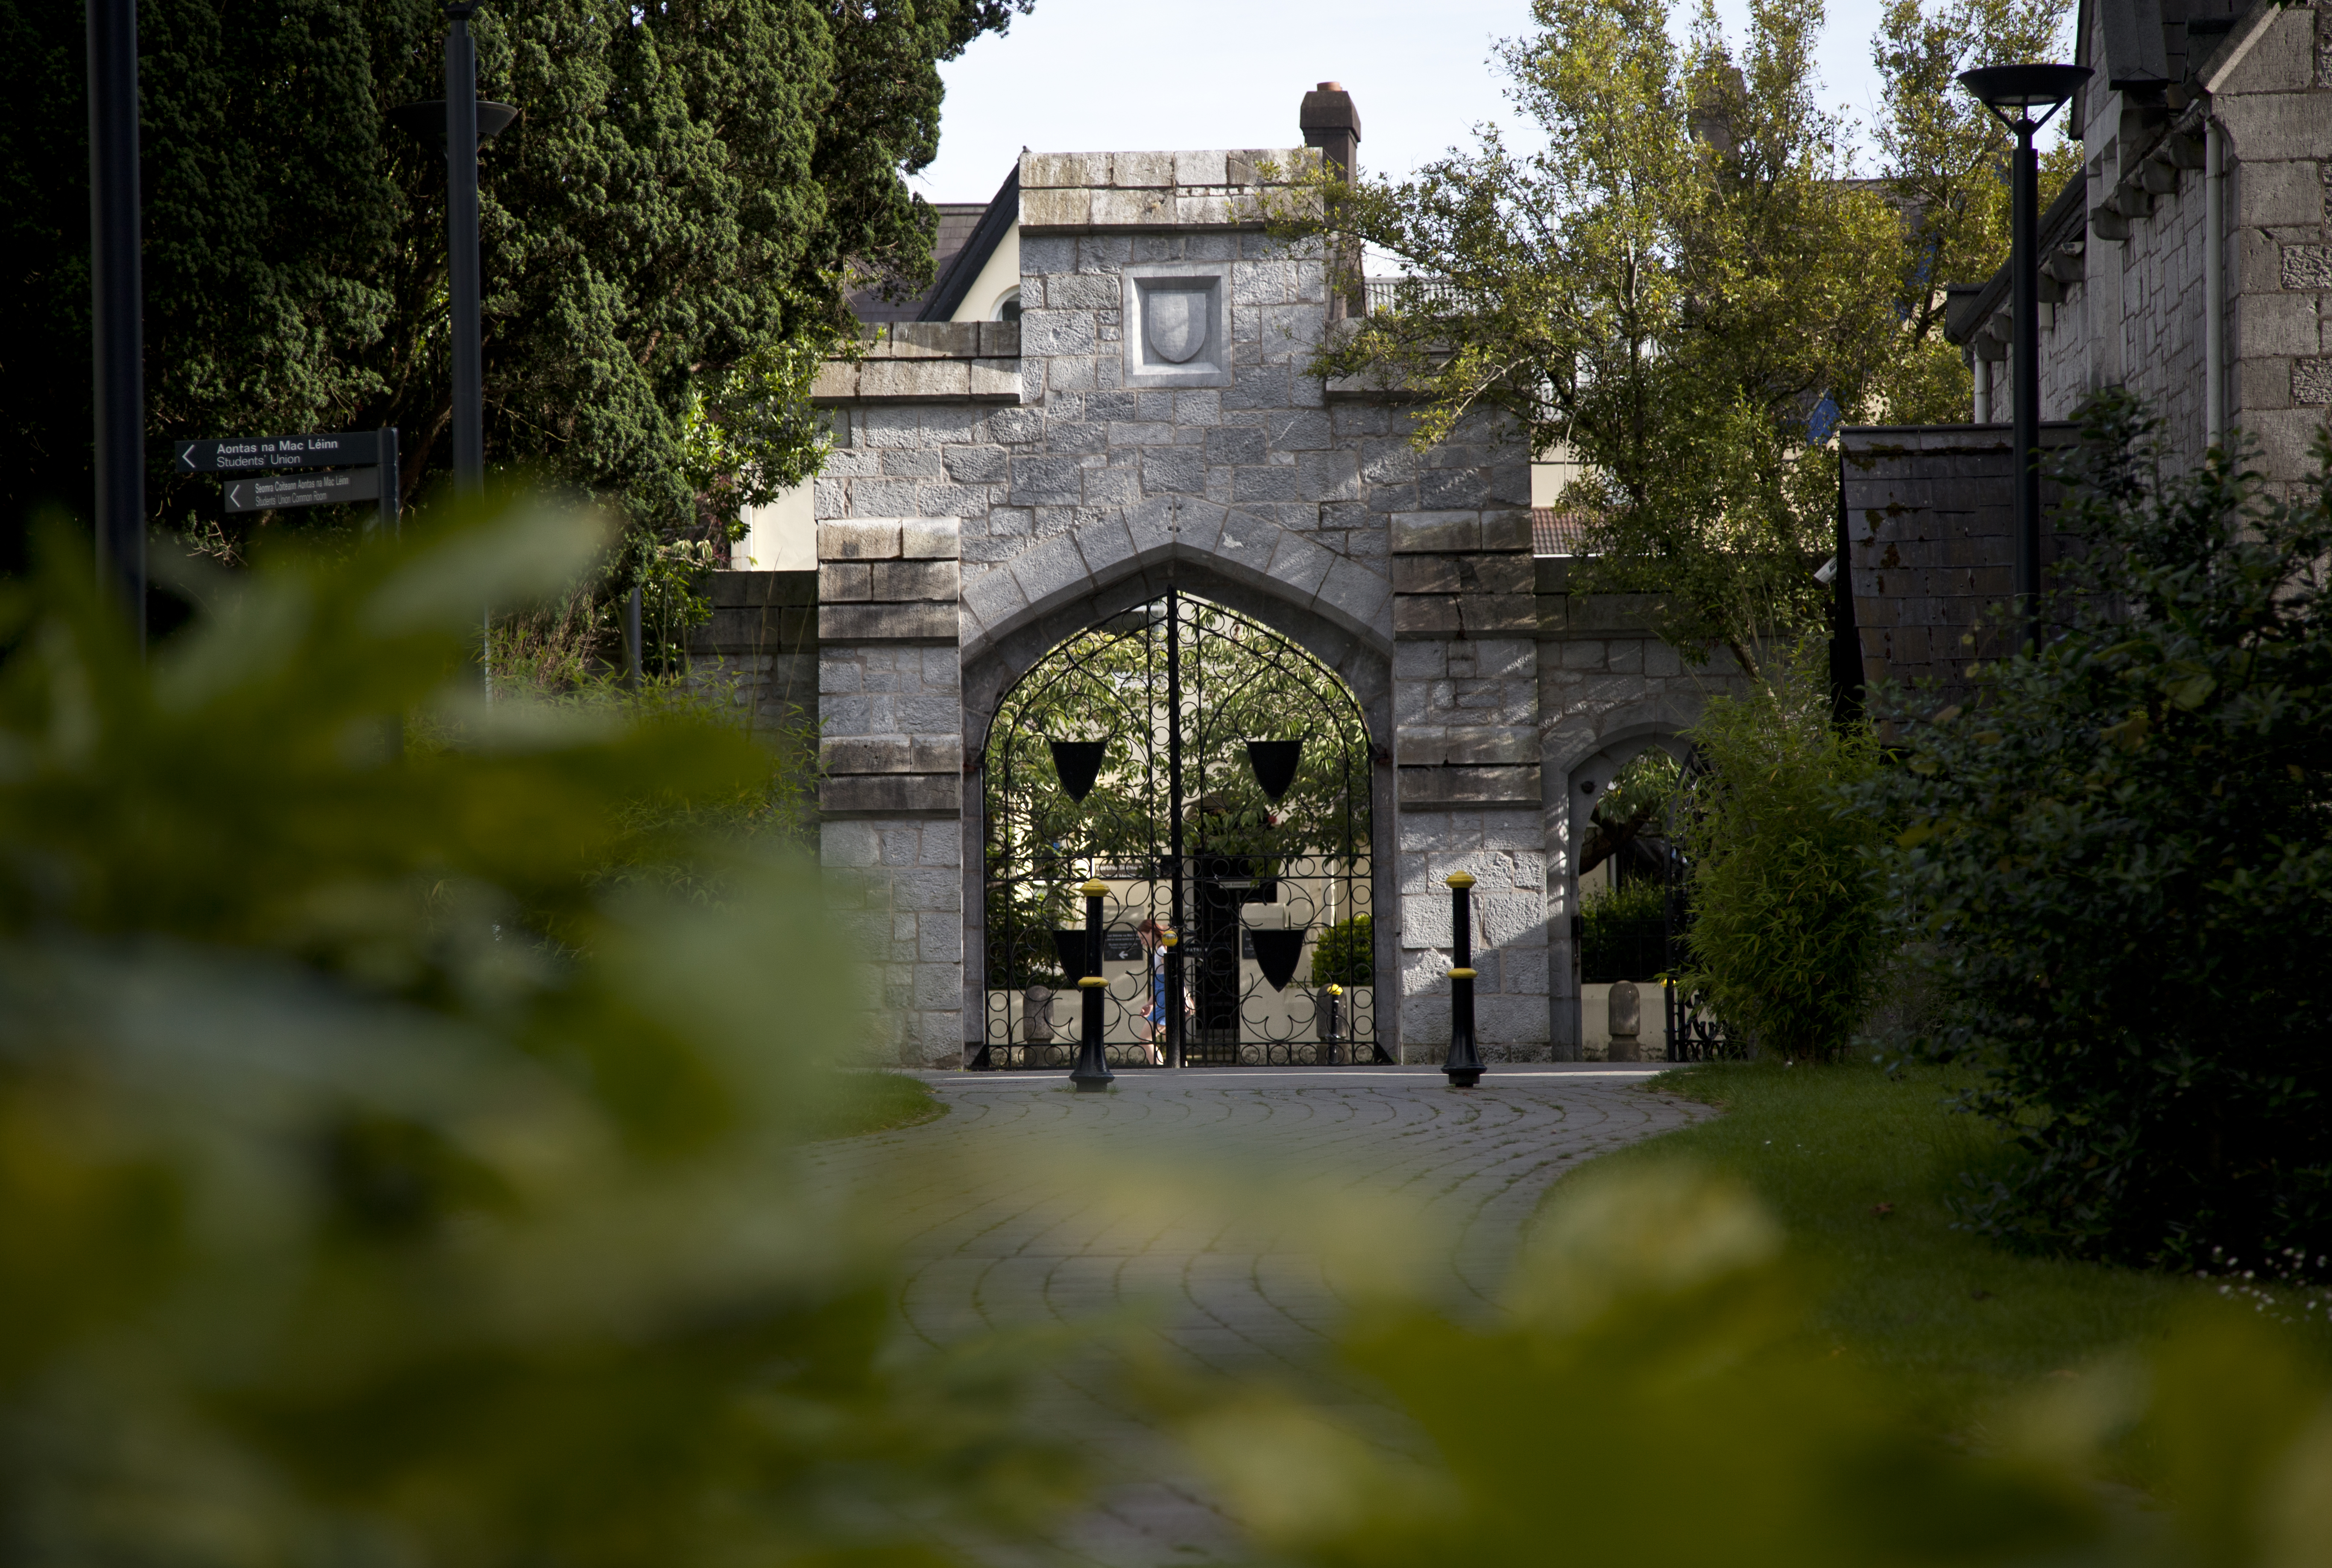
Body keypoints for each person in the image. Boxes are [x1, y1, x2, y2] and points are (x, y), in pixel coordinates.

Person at [1137, 919, 1169, 1066]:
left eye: (1143, 937)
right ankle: (1181, 1074)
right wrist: (1150, 1004)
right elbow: (1160, 983)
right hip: (1163, 1002)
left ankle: (1161, 1072)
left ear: (1151, 931)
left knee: (1145, 1039)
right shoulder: (1159, 951)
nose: (1142, 942)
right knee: (1174, 1044)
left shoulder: (1162, 951)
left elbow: (1173, 977)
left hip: (1165, 1004)